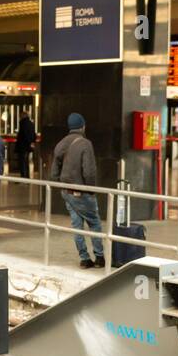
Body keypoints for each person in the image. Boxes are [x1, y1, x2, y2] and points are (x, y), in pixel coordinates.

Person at [48, 112, 104, 269]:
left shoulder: (61, 144)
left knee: (77, 225)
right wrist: (91, 189)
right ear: (83, 126)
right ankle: (99, 257)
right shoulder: (85, 144)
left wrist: (61, 184)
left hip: (67, 192)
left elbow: (54, 172)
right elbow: (89, 172)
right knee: (94, 223)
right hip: (82, 192)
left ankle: (84, 259)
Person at [15, 111, 36, 180]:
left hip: (22, 146)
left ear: (23, 116)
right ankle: (27, 176)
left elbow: (23, 134)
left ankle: (23, 176)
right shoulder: (31, 123)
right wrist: (32, 142)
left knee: (22, 161)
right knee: (26, 161)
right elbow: (34, 134)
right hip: (28, 146)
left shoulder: (22, 123)